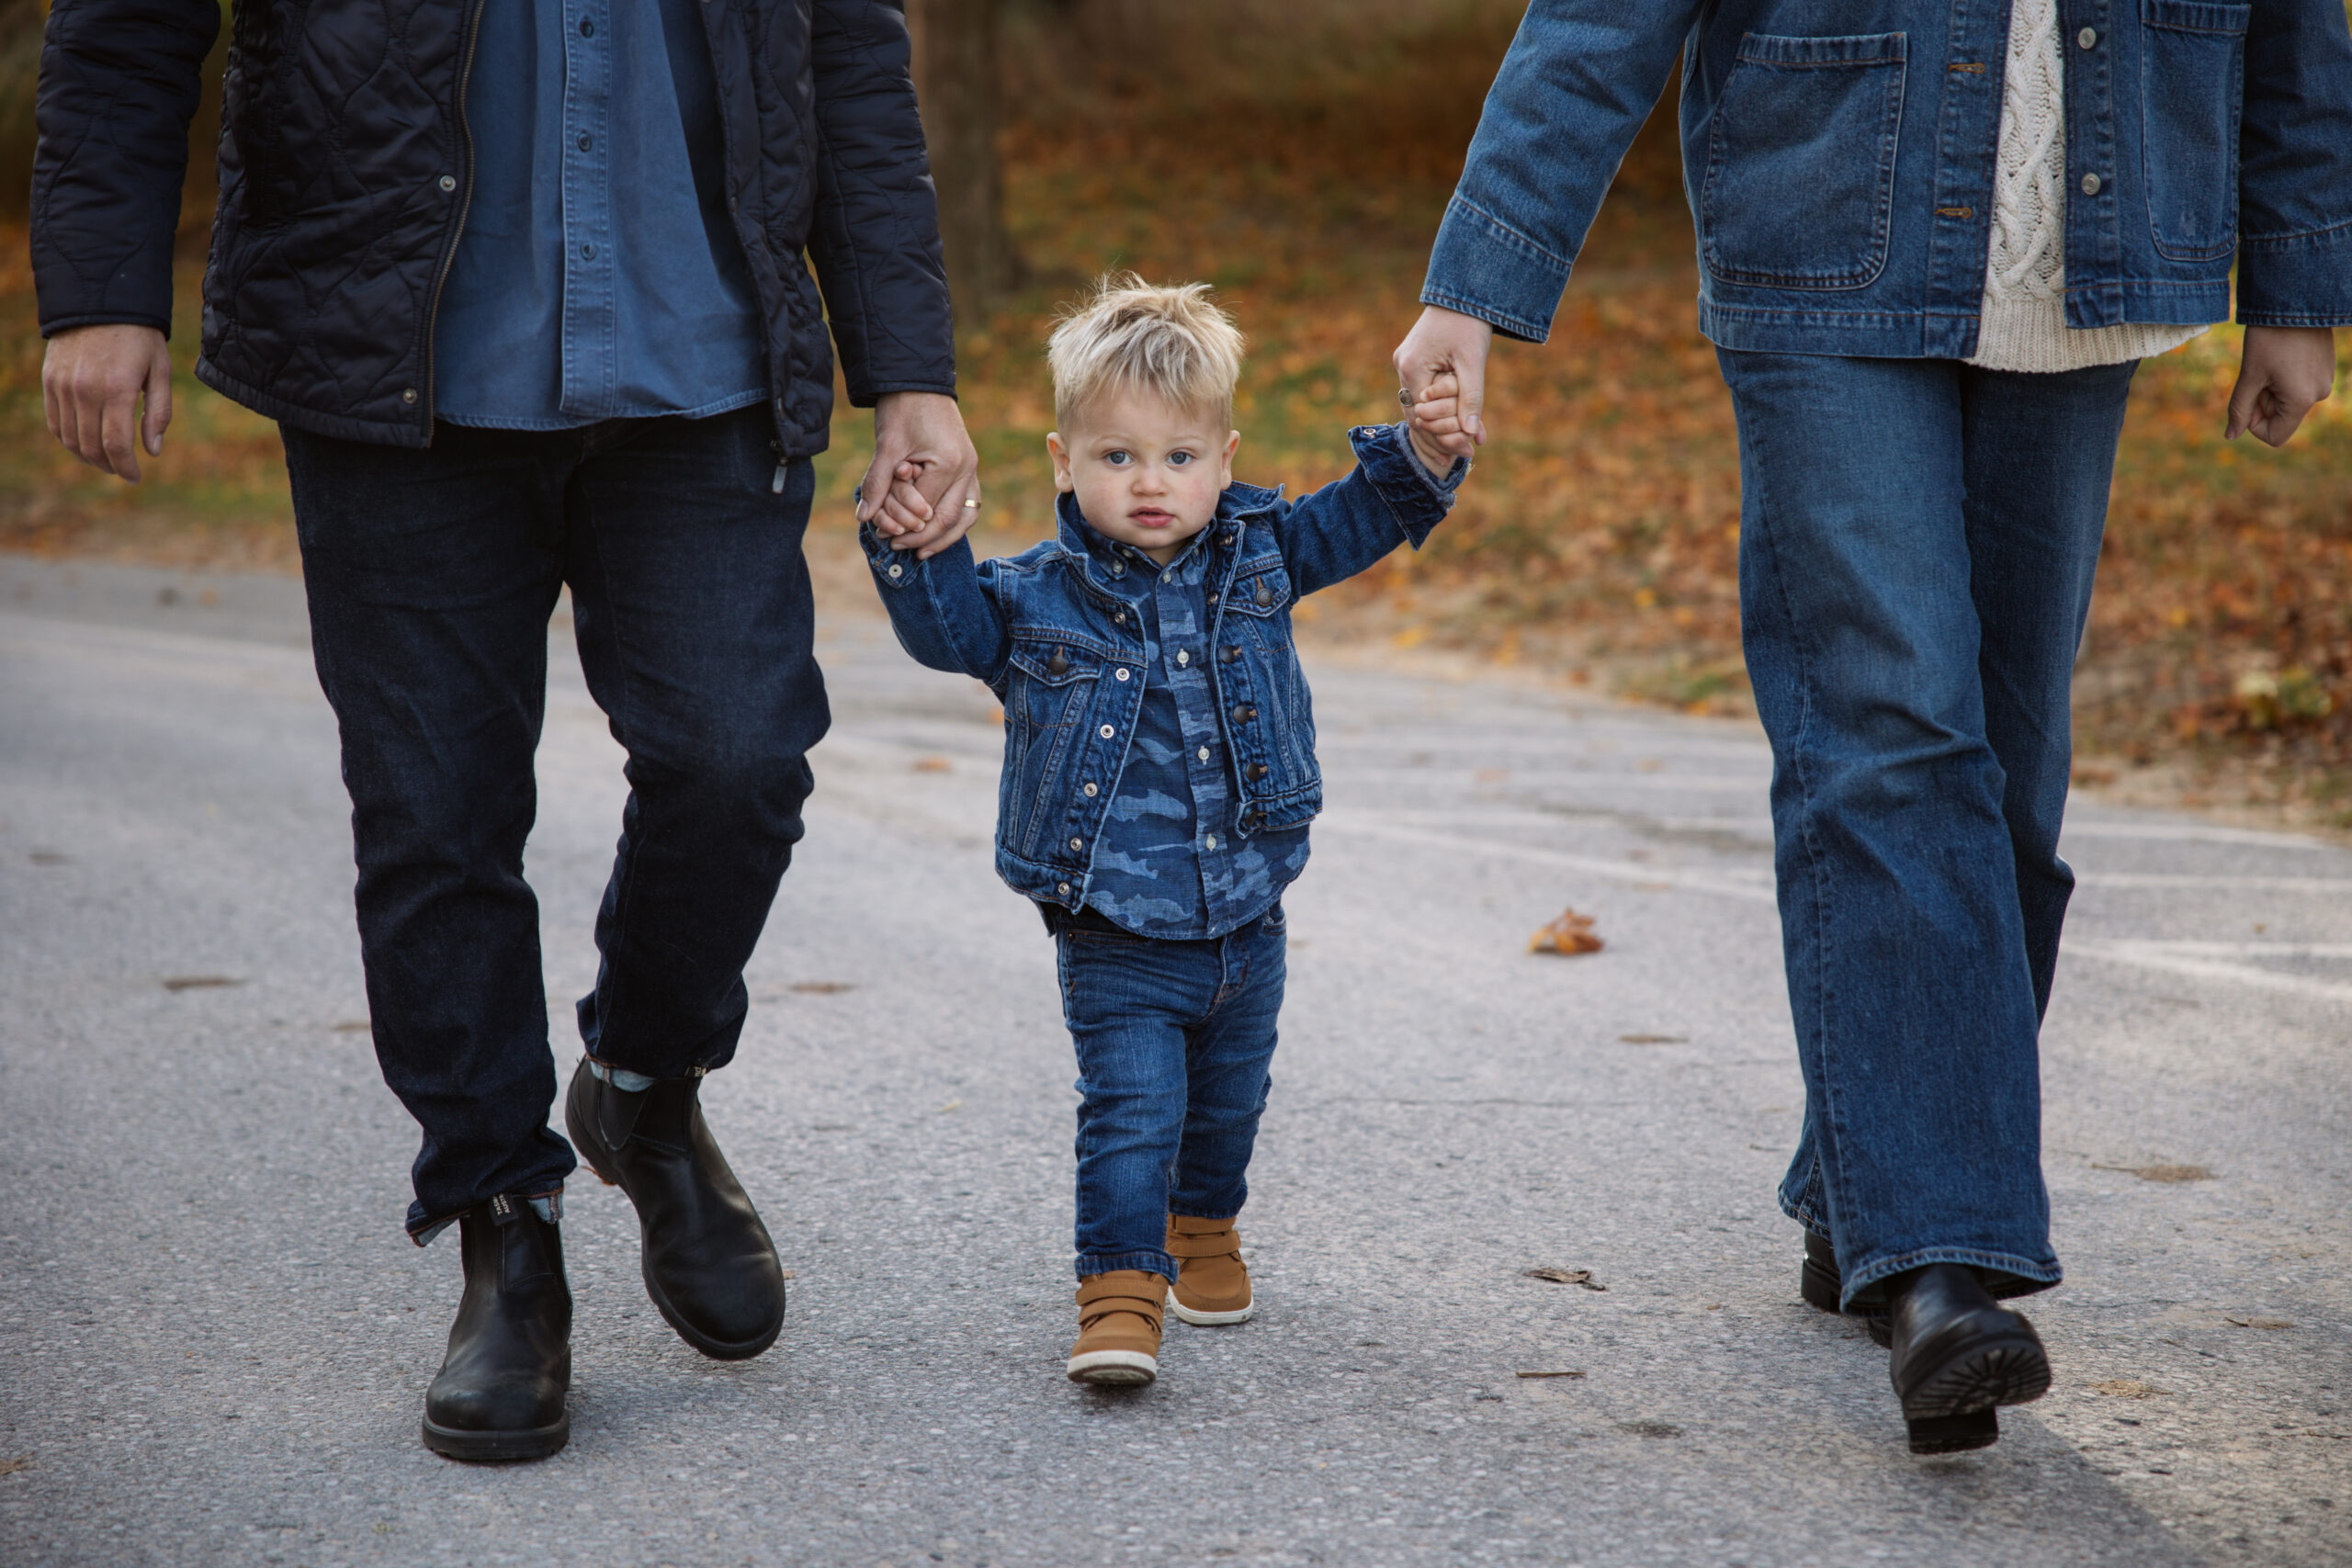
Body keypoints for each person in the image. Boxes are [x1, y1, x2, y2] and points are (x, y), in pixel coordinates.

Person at [1394, 2, 2350, 1453]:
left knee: (2013, 778)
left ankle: (1864, 1185)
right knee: (1894, 732)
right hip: (1828, 230)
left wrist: (2296, 275)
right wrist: (1480, 276)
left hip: (2088, 250)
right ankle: (1940, 1268)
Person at [33, 0, 979, 1461]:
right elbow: (127, 22)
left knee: (739, 757)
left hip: (702, 339)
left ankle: (648, 1087)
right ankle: (502, 1224)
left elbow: (842, 44)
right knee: (434, 812)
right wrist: (101, 288)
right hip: (390, 342)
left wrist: (908, 363)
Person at [860, 278, 1468, 1385]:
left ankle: (1202, 1229)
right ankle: (1120, 1290)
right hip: (1114, 930)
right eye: (1117, 457)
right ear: (1062, 460)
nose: (1151, 483)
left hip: (1249, 914)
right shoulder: (1033, 600)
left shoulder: (1263, 557)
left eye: (1179, 458)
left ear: (1224, 459)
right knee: (1134, 1109)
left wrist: (1424, 455)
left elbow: (1365, 516)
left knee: (1229, 1103)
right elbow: (945, 632)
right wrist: (913, 540)